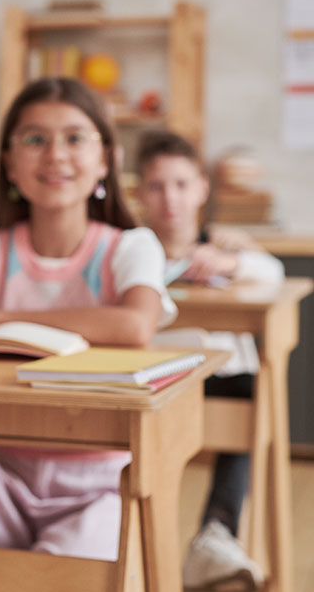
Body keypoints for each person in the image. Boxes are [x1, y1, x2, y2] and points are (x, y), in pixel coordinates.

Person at [0, 76, 175, 561]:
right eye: (34, 139)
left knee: (69, 561)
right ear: (9, 161)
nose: (55, 155)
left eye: (75, 138)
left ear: (106, 159)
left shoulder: (131, 246)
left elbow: (135, 324)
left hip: (100, 487)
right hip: (2, 475)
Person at [135, 130, 282, 592]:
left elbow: (273, 273)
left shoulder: (225, 243)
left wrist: (229, 264)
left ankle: (216, 532)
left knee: (254, 394)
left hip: (225, 378)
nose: (170, 199)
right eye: (156, 186)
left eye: (181, 184)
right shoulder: (131, 250)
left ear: (201, 187)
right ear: (140, 193)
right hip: (157, 378)